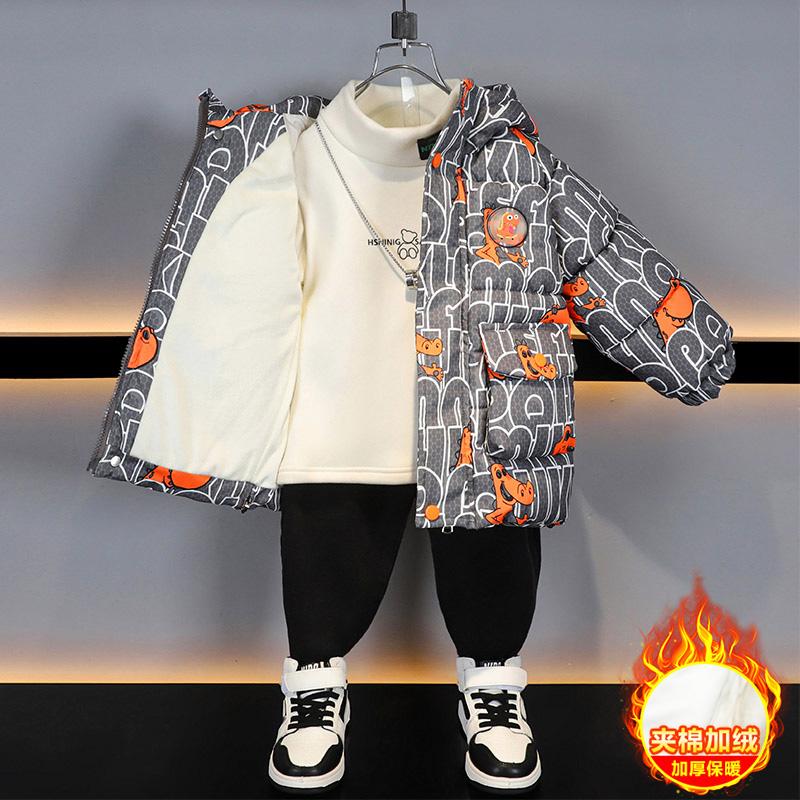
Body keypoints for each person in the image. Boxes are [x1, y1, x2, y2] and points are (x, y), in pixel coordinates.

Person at [266, 79, 544, 794]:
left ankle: (492, 681)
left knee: (492, 528)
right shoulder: (303, 151)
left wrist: (687, 344)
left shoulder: (503, 154)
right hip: (341, 397)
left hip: (478, 398)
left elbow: (592, 244)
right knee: (326, 531)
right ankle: (315, 684)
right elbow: (240, 274)